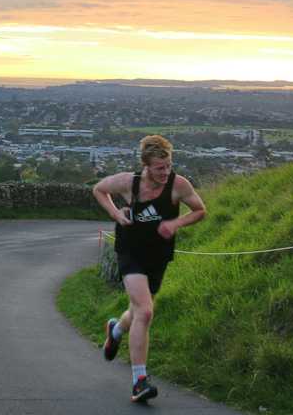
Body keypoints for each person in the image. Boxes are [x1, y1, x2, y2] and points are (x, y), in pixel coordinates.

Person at [91, 134, 207, 403]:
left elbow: (200, 210)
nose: (165, 172)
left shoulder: (179, 184)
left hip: (158, 256)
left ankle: (116, 331)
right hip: (130, 252)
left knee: (136, 311)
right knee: (145, 311)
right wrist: (117, 214)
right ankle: (139, 381)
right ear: (146, 165)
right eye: (159, 168)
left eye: (168, 166)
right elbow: (99, 189)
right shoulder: (128, 183)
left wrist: (175, 224)